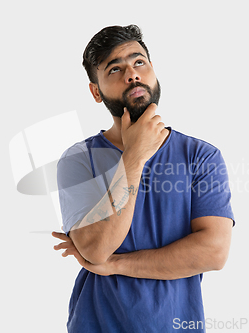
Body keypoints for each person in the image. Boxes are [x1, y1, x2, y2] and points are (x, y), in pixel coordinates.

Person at [52, 24, 235, 333]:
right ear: (96, 91)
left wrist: (115, 265)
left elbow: (213, 253)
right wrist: (133, 157)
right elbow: (96, 250)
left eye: (139, 62)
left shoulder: (201, 156)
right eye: (115, 69)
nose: (132, 74)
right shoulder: (78, 160)